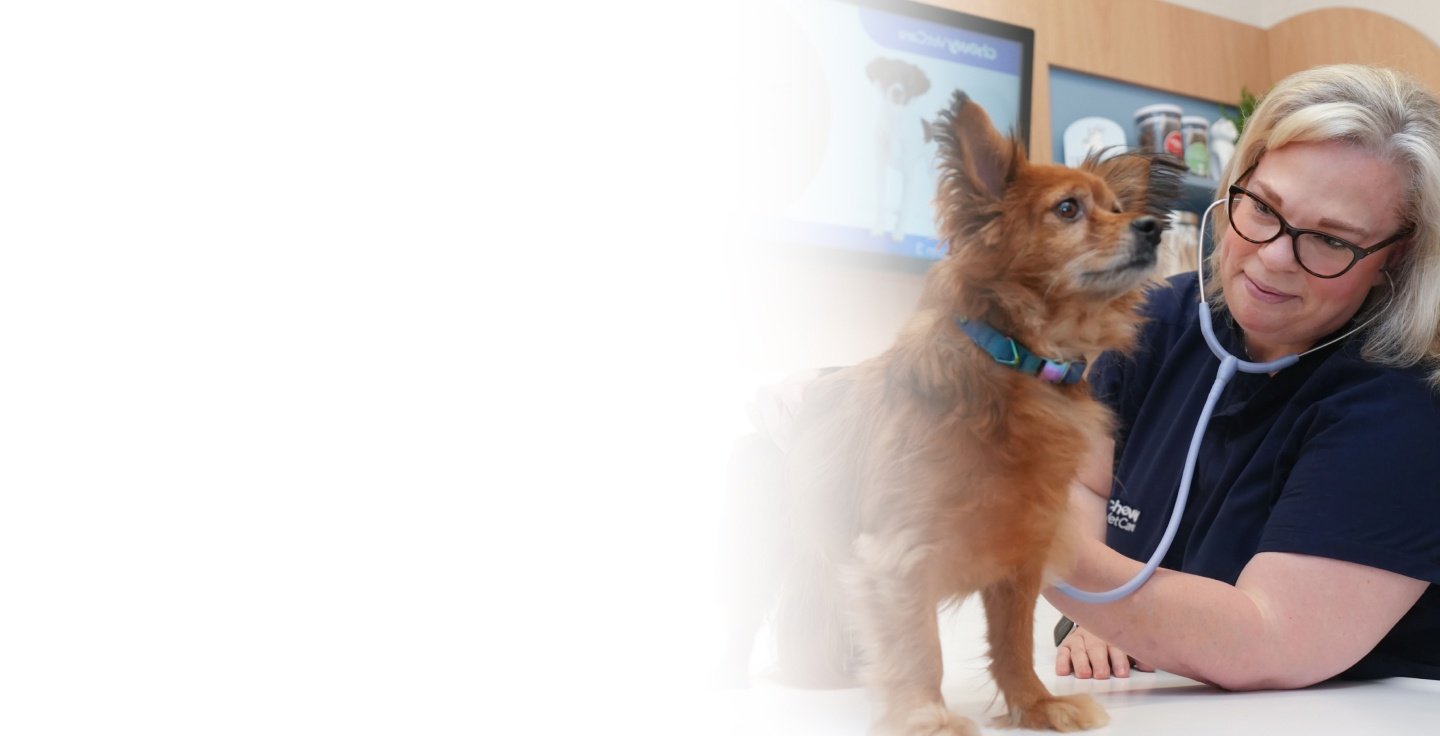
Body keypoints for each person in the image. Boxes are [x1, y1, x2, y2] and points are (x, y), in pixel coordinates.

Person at [1046, 64, 1440, 689]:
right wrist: (1108, 609)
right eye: (1262, 207)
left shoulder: (1404, 410)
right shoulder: (1154, 319)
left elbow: (1269, 637)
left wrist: (1017, 537)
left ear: (1394, 260)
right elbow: (1084, 485)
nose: (1275, 256)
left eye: (1332, 240)